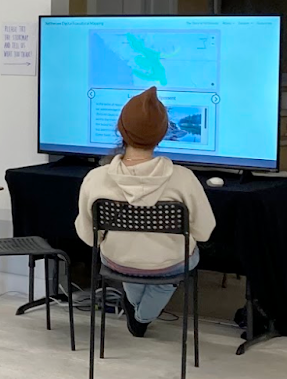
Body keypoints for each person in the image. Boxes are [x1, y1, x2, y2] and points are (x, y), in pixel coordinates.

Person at [74, 87, 215, 337]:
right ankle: (141, 318)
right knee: (181, 261)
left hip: (117, 261)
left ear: (121, 130)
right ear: (161, 135)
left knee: (130, 256)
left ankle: (137, 310)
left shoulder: (95, 179)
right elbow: (204, 231)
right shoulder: (184, 179)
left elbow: (88, 237)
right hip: (171, 263)